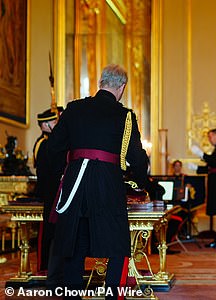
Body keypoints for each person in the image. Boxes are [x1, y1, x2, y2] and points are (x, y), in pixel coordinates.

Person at [47, 64, 149, 297]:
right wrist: (141, 184)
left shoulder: (73, 109)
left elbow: (53, 148)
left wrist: (61, 176)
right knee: (117, 247)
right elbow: (137, 158)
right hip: (108, 186)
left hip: (74, 185)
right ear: (122, 87)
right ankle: (113, 294)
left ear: (100, 82)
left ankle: (73, 294)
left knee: (74, 246)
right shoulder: (126, 117)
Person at [33, 106, 64, 288]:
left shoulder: (51, 141)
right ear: (44, 125)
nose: (56, 124)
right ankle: (46, 269)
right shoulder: (44, 143)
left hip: (54, 191)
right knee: (49, 231)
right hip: (50, 192)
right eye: (53, 122)